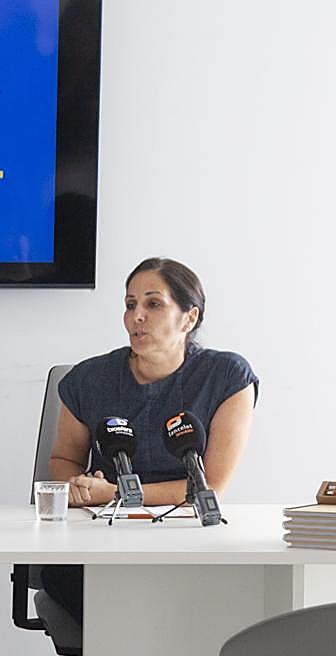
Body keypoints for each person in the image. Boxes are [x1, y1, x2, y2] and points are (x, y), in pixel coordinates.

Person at [42, 257, 259, 624]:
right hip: (102, 540)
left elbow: (210, 488)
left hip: (187, 538)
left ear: (188, 318)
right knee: (68, 580)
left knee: (225, 592)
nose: (135, 316)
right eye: (130, 304)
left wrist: (114, 492)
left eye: (153, 304)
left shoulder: (226, 377)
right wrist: (79, 487)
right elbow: (63, 461)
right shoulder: (88, 379)